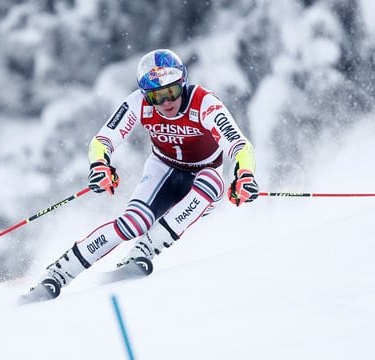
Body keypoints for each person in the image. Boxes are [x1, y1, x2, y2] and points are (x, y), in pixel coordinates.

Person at [29, 49, 259, 299]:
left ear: (183, 83)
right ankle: (57, 274)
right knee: (133, 223)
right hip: (163, 170)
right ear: (146, 94)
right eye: (157, 96)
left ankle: (144, 251)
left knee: (213, 180)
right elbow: (103, 140)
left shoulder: (204, 103)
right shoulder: (138, 103)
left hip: (202, 181)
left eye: (172, 91)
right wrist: (100, 165)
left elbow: (239, 145)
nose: (166, 102)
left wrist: (244, 175)